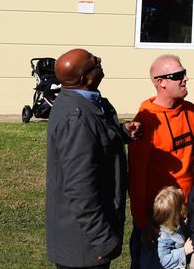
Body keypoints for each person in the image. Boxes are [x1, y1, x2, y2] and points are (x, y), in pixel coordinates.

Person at [46, 48, 139, 269]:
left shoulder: (82, 100)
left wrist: (121, 133)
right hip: (84, 246)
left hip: (86, 242)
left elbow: (95, 142)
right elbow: (80, 188)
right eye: (93, 62)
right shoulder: (75, 118)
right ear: (85, 78)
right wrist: (103, 240)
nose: (99, 60)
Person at [128, 55, 194, 269]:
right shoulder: (146, 120)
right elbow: (137, 176)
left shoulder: (191, 111)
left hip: (189, 211)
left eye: (184, 73)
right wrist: (143, 222)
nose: (185, 79)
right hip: (159, 218)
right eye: (178, 75)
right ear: (160, 82)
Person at [152, 186, 193, 269]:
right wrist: (184, 250)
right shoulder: (165, 236)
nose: (180, 190)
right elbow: (164, 260)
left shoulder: (177, 222)